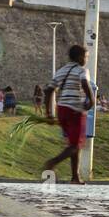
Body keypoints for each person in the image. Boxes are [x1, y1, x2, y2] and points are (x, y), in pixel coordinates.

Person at [43, 44, 95, 184]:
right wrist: (91, 100)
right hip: (75, 110)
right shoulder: (81, 70)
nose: (86, 60)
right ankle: (52, 163)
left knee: (73, 144)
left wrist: (48, 112)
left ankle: (75, 177)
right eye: (86, 57)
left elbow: (48, 90)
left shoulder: (62, 70)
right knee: (76, 145)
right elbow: (85, 84)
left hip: (62, 110)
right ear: (79, 58)